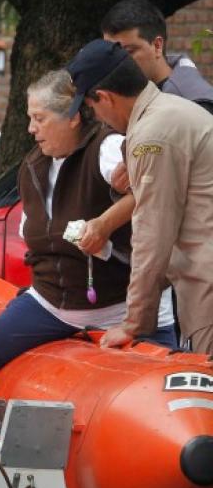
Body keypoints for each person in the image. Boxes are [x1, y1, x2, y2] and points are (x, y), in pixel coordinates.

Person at [0, 70, 176, 412]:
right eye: (29, 118)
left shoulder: (109, 148)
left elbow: (154, 190)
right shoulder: (33, 167)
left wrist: (102, 226)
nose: (31, 129)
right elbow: (31, 232)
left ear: (71, 118)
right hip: (52, 303)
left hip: (128, 307)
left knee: (165, 391)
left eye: (39, 118)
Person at [67, 38, 213, 354]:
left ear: (103, 97)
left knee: (204, 390)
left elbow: (153, 232)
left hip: (206, 284)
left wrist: (133, 322)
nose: (97, 118)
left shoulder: (153, 133)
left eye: (91, 107)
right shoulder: (170, 113)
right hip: (198, 279)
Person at [102, 0, 213, 194]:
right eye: (111, 55)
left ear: (157, 45)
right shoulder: (125, 93)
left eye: (129, 52)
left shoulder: (194, 104)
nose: (118, 64)